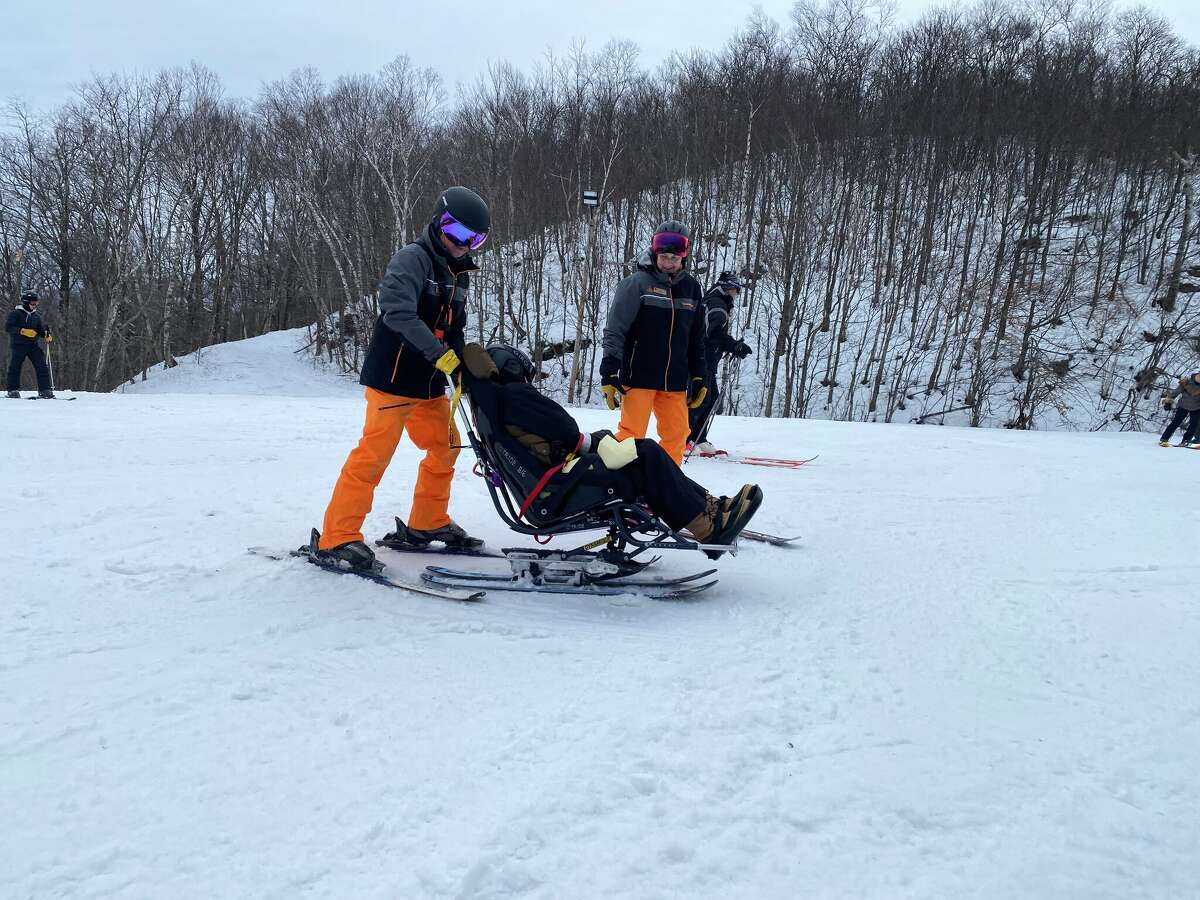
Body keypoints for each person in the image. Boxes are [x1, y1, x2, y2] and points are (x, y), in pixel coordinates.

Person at [314, 187, 490, 570]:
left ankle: (428, 522)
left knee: (447, 445)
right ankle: (336, 537)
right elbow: (397, 312)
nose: (463, 245)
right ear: (438, 222)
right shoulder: (413, 258)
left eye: (474, 239)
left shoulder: (460, 275)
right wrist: (438, 353)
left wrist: (461, 364)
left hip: (429, 383)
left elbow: (454, 328)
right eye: (456, 232)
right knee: (374, 456)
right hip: (393, 378)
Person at [462, 342, 763, 552]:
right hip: (557, 489)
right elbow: (565, 429)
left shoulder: (493, 401)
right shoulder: (515, 395)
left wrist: (592, 441)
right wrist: (590, 442)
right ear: (513, 366)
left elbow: (555, 436)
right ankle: (708, 527)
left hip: (553, 485)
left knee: (641, 454)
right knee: (645, 454)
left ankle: (712, 508)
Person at [599, 220, 707, 465]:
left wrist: (699, 375)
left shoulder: (691, 289)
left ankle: (666, 482)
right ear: (655, 252)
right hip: (639, 376)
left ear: (684, 256)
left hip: (675, 380)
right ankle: (622, 482)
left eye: (674, 258)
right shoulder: (636, 284)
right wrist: (609, 370)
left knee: (677, 435)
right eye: (664, 257)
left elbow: (696, 338)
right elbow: (615, 329)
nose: (668, 262)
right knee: (631, 435)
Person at [687, 270, 753, 453]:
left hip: (705, 360)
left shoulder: (714, 301)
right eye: (736, 290)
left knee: (710, 399)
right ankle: (686, 439)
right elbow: (712, 334)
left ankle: (698, 438)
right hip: (701, 360)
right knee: (700, 399)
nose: (737, 294)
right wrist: (734, 346)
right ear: (729, 289)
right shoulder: (717, 305)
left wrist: (731, 345)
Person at [6, 290, 54, 399]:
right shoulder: (16, 314)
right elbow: (8, 327)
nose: (34, 306)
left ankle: (45, 390)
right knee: (15, 366)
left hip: (32, 345)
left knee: (41, 366)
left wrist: (46, 335)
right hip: (19, 345)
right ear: (26, 302)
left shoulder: (35, 316)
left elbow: (40, 331)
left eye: (36, 303)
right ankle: (12, 390)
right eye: (32, 303)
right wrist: (22, 331)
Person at [1159, 372, 1200, 447]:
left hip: (1196, 408)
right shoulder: (1186, 382)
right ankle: (1164, 439)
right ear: (1197, 375)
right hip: (1183, 406)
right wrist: (1168, 402)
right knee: (1176, 422)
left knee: (1193, 425)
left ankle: (1186, 441)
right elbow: (1175, 392)